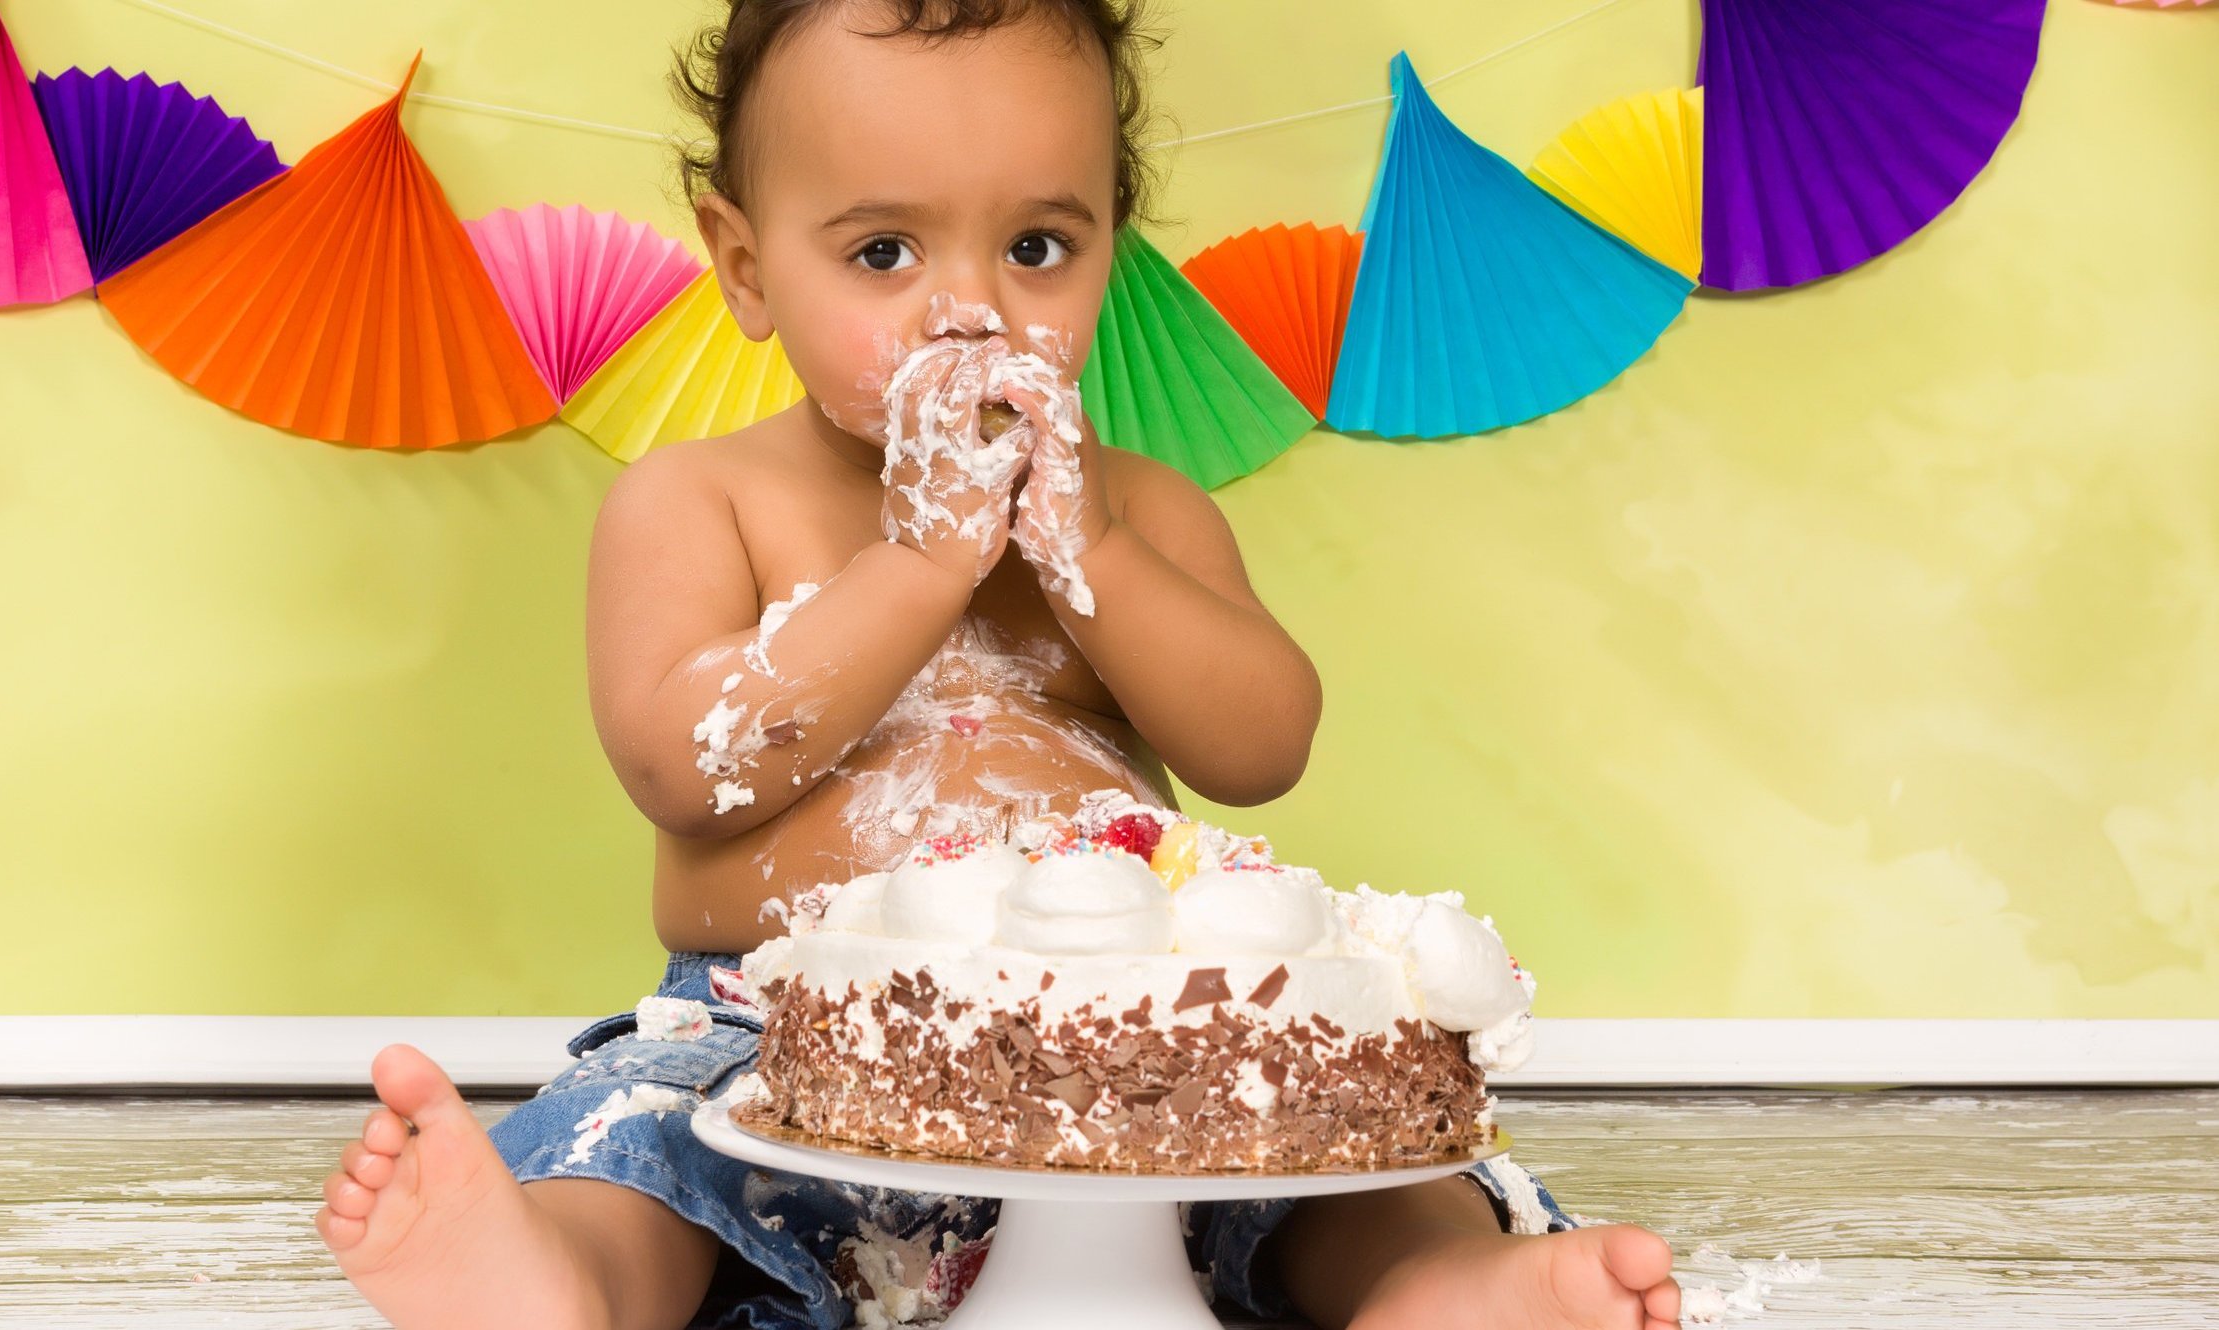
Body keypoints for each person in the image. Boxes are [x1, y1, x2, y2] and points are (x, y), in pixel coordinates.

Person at [315, 3, 1679, 1326]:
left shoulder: (1138, 509)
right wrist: (914, 567)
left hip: (1130, 1050)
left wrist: (1087, 552)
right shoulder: (703, 501)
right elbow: (686, 766)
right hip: (774, 1042)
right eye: (881, 253)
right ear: (742, 263)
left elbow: (1259, 748)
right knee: (649, 1153)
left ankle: (1438, 1287)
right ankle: (559, 1280)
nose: (966, 308)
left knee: (1330, 1172)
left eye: (1036, 245)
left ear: (1109, 257)